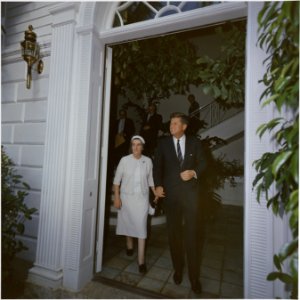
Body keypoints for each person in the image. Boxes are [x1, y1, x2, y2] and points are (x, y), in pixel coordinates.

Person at [153, 112, 206, 294]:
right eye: (170, 123)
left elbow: (204, 163)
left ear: (184, 126)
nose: (171, 126)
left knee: (191, 236)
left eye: (175, 123)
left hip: (191, 196)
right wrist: (158, 185)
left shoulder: (195, 143)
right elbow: (157, 166)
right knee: (174, 235)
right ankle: (178, 270)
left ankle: (194, 278)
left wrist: (193, 172)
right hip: (171, 197)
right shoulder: (163, 144)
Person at [113, 135, 157, 274]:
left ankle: (141, 261)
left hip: (142, 200)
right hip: (126, 199)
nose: (136, 147)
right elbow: (116, 181)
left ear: (143, 147)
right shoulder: (124, 160)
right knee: (128, 223)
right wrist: (117, 197)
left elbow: (151, 179)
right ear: (131, 146)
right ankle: (129, 245)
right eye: (133, 144)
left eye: (139, 145)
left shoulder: (148, 161)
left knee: (141, 228)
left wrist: (155, 193)